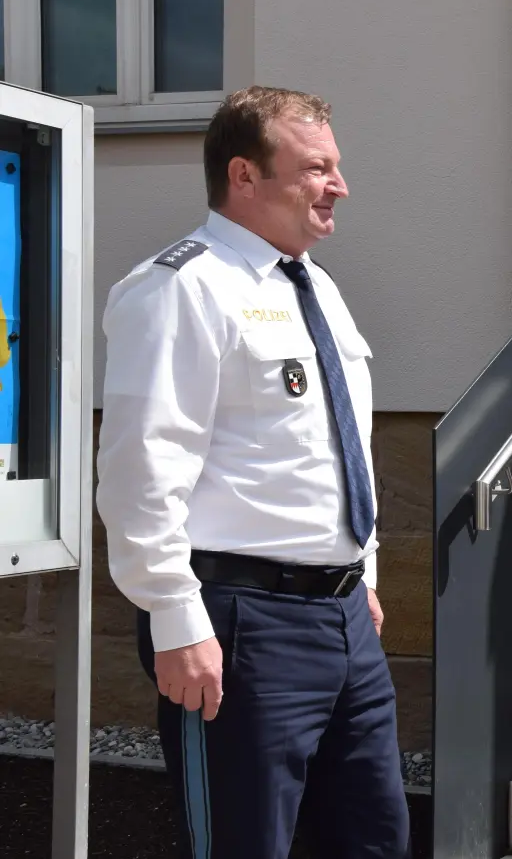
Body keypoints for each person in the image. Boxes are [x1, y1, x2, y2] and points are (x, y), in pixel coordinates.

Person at [96, 85, 408, 859]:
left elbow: (334, 446)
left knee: (375, 840)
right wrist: (174, 615)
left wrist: (360, 570)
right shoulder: (181, 288)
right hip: (242, 625)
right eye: (315, 168)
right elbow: (143, 469)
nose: (339, 185)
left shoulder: (317, 289)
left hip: (341, 622)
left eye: (335, 166)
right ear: (244, 175)